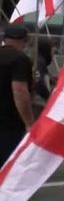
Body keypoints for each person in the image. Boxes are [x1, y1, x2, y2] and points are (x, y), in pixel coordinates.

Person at [0, 24, 34, 164]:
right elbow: (19, 90)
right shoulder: (20, 59)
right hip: (8, 123)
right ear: (23, 41)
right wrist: (29, 122)